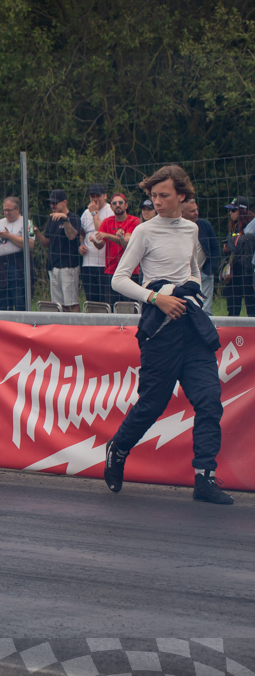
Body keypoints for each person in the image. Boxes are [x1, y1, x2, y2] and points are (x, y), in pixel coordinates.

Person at [103, 165, 232, 505]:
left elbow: (192, 269)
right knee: (152, 404)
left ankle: (205, 478)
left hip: (193, 326)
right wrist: (156, 298)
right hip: (159, 329)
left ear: (182, 196)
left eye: (163, 195)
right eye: (153, 196)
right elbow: (119, 279)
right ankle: (118, 448)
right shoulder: (144, 231)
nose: (157, 202)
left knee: (209, 401)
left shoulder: (191, 229)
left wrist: (192, 294)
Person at [35, 189, 83, 312]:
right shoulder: (52, 219)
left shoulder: (74, 218)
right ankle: (62, 324)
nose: (52, 206)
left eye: (55, 203)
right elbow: (46, 243)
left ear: (64, 202)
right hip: (53, 265)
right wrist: (37, 233)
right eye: (51, 203)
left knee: (72, 302)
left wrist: (65, 219)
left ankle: (76, 324)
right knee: (59, 305)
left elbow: (72, 236)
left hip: (68, 266)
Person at [93, 194, 142, 302]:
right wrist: (95, 241)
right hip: (111, 270)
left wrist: (107, 235)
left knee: (129, 306)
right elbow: (100, 246)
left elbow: (127, 244)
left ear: (126, 205)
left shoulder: (134, 221)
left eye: (120, 202)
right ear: (111, 207)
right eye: (114, 203)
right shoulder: (107, 221)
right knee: (110, 305)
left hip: (130, 270)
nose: (117, 205)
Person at [0, 197, 29, 311]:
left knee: (18, 299)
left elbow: (30, 244)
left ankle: (20, 321)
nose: (7, 213)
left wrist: (9, 236)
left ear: (17, 209)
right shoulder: (0, 222)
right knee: (0, 300)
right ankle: (4, 321)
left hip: (15, 265)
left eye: (9, 210)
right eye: (5, 210)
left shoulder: (25, 222)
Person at [181, 199, 220, 313]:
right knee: (186, 306)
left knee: (206, 310)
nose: (196, 213)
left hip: (204, 272)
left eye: (196, 209)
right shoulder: (177, 228)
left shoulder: (204, 225)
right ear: (183, 213)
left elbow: (215, 247)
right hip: (183, 275)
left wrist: (211, 268)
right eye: (192, 211)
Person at [80, 183, 115, 304]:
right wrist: (81, 245)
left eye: (98, 196)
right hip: (88, 263)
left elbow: (101, 230)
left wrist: (94, 213)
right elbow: (82, 233)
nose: (95, 199)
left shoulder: (111, 211)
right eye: (92, 196)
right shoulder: (86, 213)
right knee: (92, 301)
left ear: (105, 196)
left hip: (106, 264)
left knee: (106, 301)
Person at [222, 197, 255, 316]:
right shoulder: (233, 226)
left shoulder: (252, 227)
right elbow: (229, 242)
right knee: (232, 309)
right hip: (233, 271)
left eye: (233, 210)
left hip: (248, 272)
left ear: (243, 210)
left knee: (252, 308)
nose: (230, 213)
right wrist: (226, 248)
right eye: (230, 210)